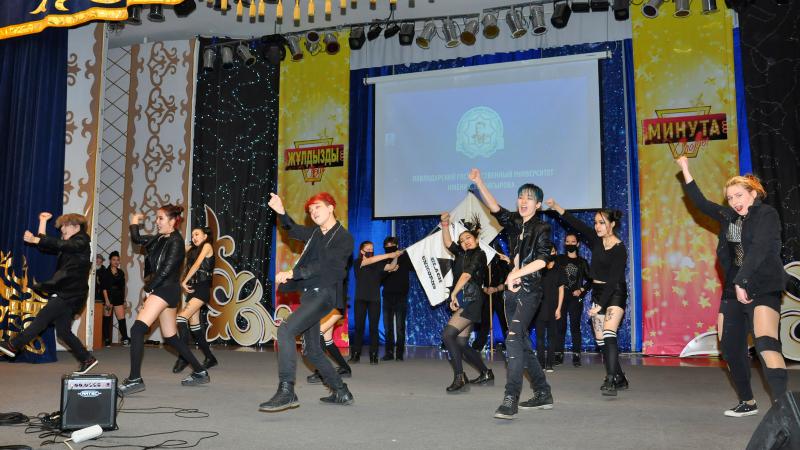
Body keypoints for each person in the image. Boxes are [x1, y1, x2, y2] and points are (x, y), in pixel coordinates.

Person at [676, 156, 787, 417]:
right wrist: (685, 169)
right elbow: (701, 203)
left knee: (766, 343)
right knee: (729, 347)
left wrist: (742, 281)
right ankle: (747, 401)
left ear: (752, 194)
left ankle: (784, 408)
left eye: (739, 195)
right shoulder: (728, 216)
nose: (735, 201)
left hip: (762, 285)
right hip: (733, 288)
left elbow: (759, 250)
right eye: (730, 198)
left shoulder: (766, 215)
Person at [469, 168, 554, 420]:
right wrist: (479, 182)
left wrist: (515, 274)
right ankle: (543, 392)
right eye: (520, 197)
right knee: (522, 344)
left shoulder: (542, 228)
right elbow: (495, 207)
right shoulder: (515, 223)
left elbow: (542, 260)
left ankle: (510, 398)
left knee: (513, 340)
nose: (523, 201)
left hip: (529, 290)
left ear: (538, 205)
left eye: (529, 198)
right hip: (511, 293)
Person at [260, 192, 355, 412]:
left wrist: (293, 273)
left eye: (317, 207)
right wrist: (281, 212)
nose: (313, 212)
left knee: (285, 331)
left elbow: (326, 265)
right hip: (311, 294)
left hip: (326, 294)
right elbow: (293, 230)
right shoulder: (314, 233)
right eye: (310, 210)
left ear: (331, 208)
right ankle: (341, 391)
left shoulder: (344, 238)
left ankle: (287, 391)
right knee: (312, 350)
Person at [118, 205, 209, 396]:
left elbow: (166, 270)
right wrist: (134, 222)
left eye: (160, 218)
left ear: (172, 221)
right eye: (157, 218)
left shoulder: (176, 242)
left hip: (165, 289)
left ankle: (135, 379)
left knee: (137, 330)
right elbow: (137, 239)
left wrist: (149, 290)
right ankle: (200, 371)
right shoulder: (159, 238)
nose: (157, 222)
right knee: (171, 337)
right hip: (166, 290)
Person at [546, 199, 628, 396]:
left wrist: (599, 305)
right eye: (595, 222)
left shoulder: (620, 249)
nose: (597, 226)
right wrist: (556, 207)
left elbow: (613, 280)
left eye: (602, 222)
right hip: (598, 292)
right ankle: (620, 377)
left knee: (609, 333)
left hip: (615, 292)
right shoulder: (595, 239)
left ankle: (610, 379)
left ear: (612, 224)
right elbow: (575, 223)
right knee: (601, 340)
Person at [1, 213, 97, 374]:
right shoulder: (71, 244)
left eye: (65, 226)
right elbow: (46, 245)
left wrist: (36, 239)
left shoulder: (82, 241)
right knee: (63, 332)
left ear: (76, 227)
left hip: (69, 293)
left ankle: (13, 345)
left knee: (41, 319)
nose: (62, 229)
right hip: (70, 293)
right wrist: (43, 222)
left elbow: (58, 244)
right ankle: (87, 359)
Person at [439, 213, 493, 393]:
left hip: (472, 299)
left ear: (476, 239)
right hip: (465, 299)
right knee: (461, 344)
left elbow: (466, 275)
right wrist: (445, 224)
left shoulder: (479, 254)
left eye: (468, 238)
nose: (465, 242)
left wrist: (453, 294)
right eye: (462, 240)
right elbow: (448, 243)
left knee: (448, 335)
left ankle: (459, 376)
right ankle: (486, 372)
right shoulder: (462, 253)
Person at [173, 227, 218, 373]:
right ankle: (210, 358)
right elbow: (177, 250)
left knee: (181, 318)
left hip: (202, 289)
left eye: (197, 234)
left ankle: (183, 357)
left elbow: (197, 265)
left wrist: (184, 282)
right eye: (192, 235)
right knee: (195, 326)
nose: (194, 237)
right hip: (193, 289)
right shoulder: (193, 249)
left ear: (205, 236)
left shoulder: (207, 246)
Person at [350, 241, 399, 365]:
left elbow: (391, 267)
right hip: (360, 299)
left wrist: (396, 256)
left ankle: (373, 355)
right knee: (359, 327)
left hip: (374, 300)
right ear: (362, 251)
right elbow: (369, 261)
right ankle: (355, 355)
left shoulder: (378, 263)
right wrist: (389, 255)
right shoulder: (358, 262)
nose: (370, 250)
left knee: (374, 328)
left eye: (372, 248)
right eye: (368, 249)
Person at [554, 234, 592, 367]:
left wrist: (581, 290)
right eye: (567, 241)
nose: (570, 244)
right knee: (560, 326)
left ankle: (576, 355)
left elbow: (591, 280)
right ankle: (558, 354)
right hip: (561, 298)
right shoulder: (559, 259)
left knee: (575, 326)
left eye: (573, 241)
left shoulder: (582, 262)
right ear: (565, 243)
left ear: (578, 244)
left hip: (575, 299)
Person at [472, 251, 511, 353]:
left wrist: (496, 289)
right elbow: (479, 280)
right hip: (487, 297)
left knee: (505, 321)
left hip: (501, 297)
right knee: (485, 321)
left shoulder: (504, 265)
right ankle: (478, 345)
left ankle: (510, 345)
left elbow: (509, 283)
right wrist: (484, 288)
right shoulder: (484, 264)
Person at [381, 236, 412, 361]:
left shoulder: (405, 257)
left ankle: (399, 354)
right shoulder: (383, 259)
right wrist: (388, 271)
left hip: (401, 296)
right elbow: (379, 278)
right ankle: (389, 353)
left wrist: (408, 253)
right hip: (387, 296)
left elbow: (415, 267)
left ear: (397, 246)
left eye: (392, 245)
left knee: (400, 327)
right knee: (387, 327)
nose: (389, 248)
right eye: (387, 246)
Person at [535, 246, 564, 373]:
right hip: (539, 307)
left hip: (553, 307)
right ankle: (540, 363)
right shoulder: (539, 268)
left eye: (552, 251)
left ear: (555, 252)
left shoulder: (559, 269)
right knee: (540, 337)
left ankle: (550, 363)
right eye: (548, 251)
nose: (550, 253)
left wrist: (559, 308)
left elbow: (561, 290)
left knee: (552, 337)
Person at [306, 309, 353, 384]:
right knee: (327, 339)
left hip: (332, 308)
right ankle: (345, 368)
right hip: (334, 308)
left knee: (318, 333)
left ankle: (322, 373)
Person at [101, 251, 130, 347]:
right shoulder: (105, 272)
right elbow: (104, 287)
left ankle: (125, 338)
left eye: (117, 260)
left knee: (122, 319)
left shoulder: (121, 273)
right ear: (110, 260)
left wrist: (124, 300)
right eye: (114, 260)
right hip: (108, 297)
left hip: (118, 298)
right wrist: (107, 300)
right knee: (107, 319)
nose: (116, 262)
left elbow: (122, 287)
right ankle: (107, 339)